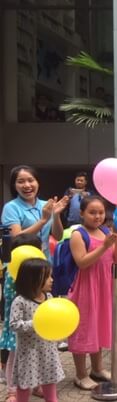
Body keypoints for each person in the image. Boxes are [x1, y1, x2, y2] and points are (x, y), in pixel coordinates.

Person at [68, 196, 117, 390]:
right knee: (83, 329)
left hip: (104, 287)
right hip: (85, 288)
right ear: (82, 213)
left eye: (100, 212)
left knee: (98, 327)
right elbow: (82, 262)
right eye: (92, 212)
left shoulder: (105, 231)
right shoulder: (78, 234)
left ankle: (97, 369)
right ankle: (80, 374)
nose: (97, 216)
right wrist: (105, 246)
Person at [10, 258, 64, 402]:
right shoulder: (20, 301)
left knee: (50, 385)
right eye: (47, 277)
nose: (51, 280)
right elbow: (14, 324)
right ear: (31, 279)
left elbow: (52, 319)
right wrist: (35, 323)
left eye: (51, 276)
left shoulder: (49, 297)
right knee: (24, 387)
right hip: (28, 352)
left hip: (48, 350)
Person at [0, 234, 42, 402]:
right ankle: (12, 390)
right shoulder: (11, 273)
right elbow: (10, 297)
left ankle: (37, 385)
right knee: (15, 359)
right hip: (18, 325)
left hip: (36, 325)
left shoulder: (40, 272)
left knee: (38, 356)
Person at [1, 165, 68, 260]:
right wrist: (43, 221)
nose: (27, 185)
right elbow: (16, 238)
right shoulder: (11, 207)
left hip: (44, 261)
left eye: (31, 180)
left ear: (38, 183)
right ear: (14, 186)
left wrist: (56, 215)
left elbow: (58, 236)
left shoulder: (46, 205)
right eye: (20, 182)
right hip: (21, 263)